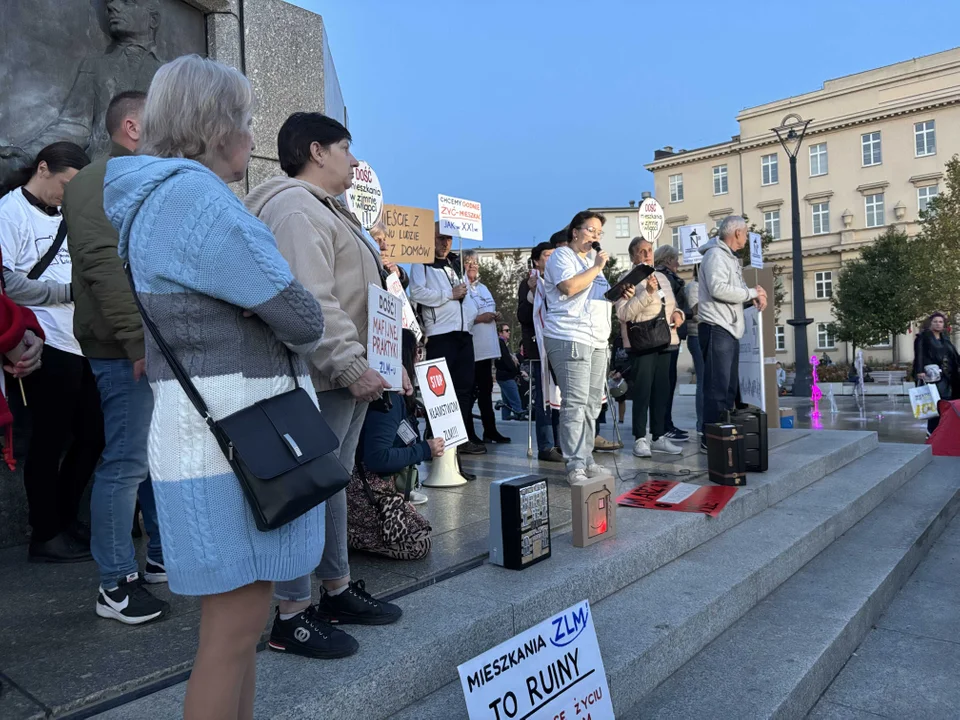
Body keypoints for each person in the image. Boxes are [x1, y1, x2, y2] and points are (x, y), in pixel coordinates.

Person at [103, 55, 327, 720]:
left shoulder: (149, 200)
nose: (253, 138)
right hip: (234, 442)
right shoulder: (197, 203)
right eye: (245, 122)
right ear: (215, 126)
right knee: (231, 636)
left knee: (236, 630)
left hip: (201, 435)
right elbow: (304, 318)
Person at [245, 111, 404, 661]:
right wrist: (348, 364)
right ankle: (292, 612)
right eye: (346, 148)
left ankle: (334, 588)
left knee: (331, 485)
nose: (355, 162)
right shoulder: (294, 209)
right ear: (317, 150)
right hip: (321, 375)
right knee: (309, 491)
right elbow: (312, 300)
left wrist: (379, 359)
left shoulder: (323, 210)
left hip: (344, 373)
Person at [62, 90, 168, 625]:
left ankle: (156, 558)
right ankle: (115, 586)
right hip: (127, 350)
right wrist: (136, 342)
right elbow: (103, 264)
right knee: (125, 463)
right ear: (132, 126)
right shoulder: (96, 181)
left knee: (147, 461)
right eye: (160, 120)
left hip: (146, 345)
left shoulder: (140, 174)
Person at [0, 140, 102, 563]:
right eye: (66, 184)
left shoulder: (67, 213)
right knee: (48, 441)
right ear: (42, 168)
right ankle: (45, 533)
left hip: (82, 341)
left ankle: (62, 516)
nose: (69, 194)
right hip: (44, 342)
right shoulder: (9, 211)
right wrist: (68, 292)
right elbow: (7, 281)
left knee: (95, 435)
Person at [0, 0, 163, 183]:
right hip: (101, 181)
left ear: (153, 19)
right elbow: (75, 125)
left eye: (127, 2)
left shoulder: (170, 74)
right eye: (111, 2)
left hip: (154, 181)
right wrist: (26, 155)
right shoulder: (96, 65)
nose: (113, 6)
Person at [542, 211, 623, 484]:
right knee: (575, 403)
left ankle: (587, 458)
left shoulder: (592, 263)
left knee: (591, 405)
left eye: (599, 233)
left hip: (598, 340)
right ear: (575, 232)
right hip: (569, 336)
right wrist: (597, 267)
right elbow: (569, 287)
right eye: (591, 231)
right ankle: (574, 464)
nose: (596, 238)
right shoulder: (561, 257)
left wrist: (624, 292)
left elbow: (604, 297)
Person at [409, 225, 484, 455]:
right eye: (441, 238)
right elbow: (416, 292)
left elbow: (465, 293)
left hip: (463, 333)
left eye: (449, 238)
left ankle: (459, 439)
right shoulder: (421, 262)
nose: (446, 243)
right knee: (439, 391)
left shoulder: (454, 264)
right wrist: (448, 296)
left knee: (464, 388)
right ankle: (434, 438)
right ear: (430, 238)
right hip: (440, 334)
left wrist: (470, 315)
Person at [697, 216, 767, 452]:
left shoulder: (728, 257)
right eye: (745, 234)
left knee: (727, 388)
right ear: (736, 233)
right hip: (718, 327)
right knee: (717, 387)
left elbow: (732, 295)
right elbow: (718, 289)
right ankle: (711, 437)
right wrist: (750, 293)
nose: (746, 239)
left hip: (727, 327)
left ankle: (723, 435)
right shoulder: (715, 255)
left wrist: (751, 298)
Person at [616, 236, 686, 458]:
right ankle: (639, 438)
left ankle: (658, 436)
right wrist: (646, 293)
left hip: (666, 340)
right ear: (633, 256)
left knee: (661, 391)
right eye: (642, 251)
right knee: (643, 391)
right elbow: (623, 313)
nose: (647, 254)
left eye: (650, 250)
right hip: (642, 342)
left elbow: (673, 306)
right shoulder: (626, 279)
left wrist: (679, 314)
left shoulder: (663, 278)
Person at [519, 240, 562, 462]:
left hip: (559, 342)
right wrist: (532, 292)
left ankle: (560, 442)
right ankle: (546, 446)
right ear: (536, 260)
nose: (552, 259)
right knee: (544, 396)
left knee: (560, 395)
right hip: (540, 347)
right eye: (547, 255)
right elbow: (523, 316)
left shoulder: (558, 280)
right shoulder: (529, 282)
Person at [462, 250, 509, 442]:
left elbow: (489, 308)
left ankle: (490, 430)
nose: (473, 266)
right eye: (468, 262)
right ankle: (468, 434)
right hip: (470, 349)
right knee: (469, 394)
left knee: (486, 392)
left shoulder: (483, 287)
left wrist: (494, 315)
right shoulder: (461, 286)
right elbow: (460, 315)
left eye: (475, 262)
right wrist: (480, 317)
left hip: (486, 350)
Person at [654, 245, 691, 442]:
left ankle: (665, 424)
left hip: (669, 334)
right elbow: (671, 304)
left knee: (667, 383)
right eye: (675, 259)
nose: (678, 263)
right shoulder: (665, 277)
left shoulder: (666, 276)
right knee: (666, 384)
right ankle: (663, 425)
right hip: (669, 334)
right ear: (668, 260)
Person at [914, 311, 959, 435]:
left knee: (948, 402)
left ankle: (943, 429)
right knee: (935, 403)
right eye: (935, 322)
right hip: (933, 376)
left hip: (949, 376)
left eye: (940, 322)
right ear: (930, 323)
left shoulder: (945, 339)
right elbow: (919, 355)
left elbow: (953, 356)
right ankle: (932, 430)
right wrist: (920, 371)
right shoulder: (923, 337)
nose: (938, 324)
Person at [685, 265, 704, 435]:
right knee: (703, 380)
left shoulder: (705, 286)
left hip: (707, 335)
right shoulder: (694, 287)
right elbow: (696, 311)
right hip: (697, 335)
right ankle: (702, 424)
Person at [495, 323, 526, 421]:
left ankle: (505, 422)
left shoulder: (501, 344)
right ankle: (519, 421)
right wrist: (517, 371)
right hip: (506, 377)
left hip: (503, 377)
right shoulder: (500, 344)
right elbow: (506, 361)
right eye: (506, 330)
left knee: (507, 403)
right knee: (516, 402)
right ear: (500, 333)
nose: (509, 332)